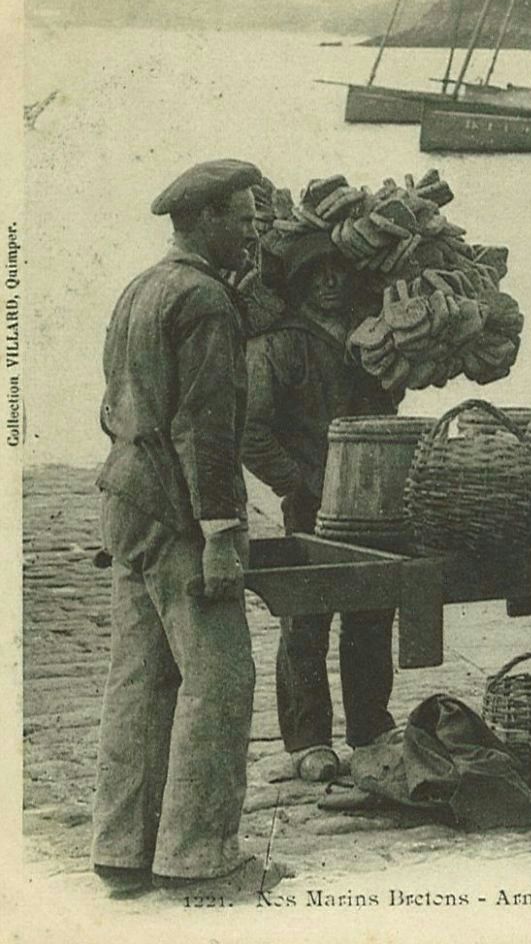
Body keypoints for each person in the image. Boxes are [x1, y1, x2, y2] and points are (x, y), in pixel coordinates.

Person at [94, 159, 286, 898]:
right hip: (180, 518)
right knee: (218, 683)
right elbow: (206, 428)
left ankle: (122, 850)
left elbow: (115, 404)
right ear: (204, 220)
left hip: (128, 504)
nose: (253, 229)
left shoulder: (141, 287)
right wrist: (218, 531)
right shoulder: (205, 301)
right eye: (241, 217)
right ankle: (199, 857)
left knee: (138, 682)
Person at [243, 234, 400, 783]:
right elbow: (252, 432)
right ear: (299, 283)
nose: (331, 281)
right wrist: (300, 482)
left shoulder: (375, 339)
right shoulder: (279, 346)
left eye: (339, 270)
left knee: (372, 613)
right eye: (317, 273)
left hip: (373, 504)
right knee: (305, 621)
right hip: (311, 505)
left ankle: (370, 728)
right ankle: (309, 741)